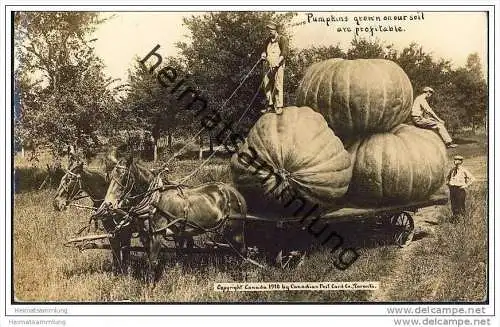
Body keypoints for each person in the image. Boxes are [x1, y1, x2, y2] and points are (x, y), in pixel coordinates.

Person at [260, 22, 289, 115]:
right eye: (268, 30)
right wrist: (263, 54)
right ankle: (270, 105)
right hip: (267, 65)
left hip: (278, 65)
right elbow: (264, 50)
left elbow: (284, 53)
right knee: (266, 85)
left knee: (278, 85)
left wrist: (278, 63)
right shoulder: (267, 40)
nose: (269, 32)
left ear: (275, 30)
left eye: (271, 30)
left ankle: (279, 106)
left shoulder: (282, 39)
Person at [446, 155, 475, 220]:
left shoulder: (463, 170)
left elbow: (472, 178)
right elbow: (448, 177)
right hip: (453, 190)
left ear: (461, 161)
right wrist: (448, 184)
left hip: (460, 190)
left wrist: (465, 185)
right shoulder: (452, 170)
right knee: (453, 206)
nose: (455, 161)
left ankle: (463, 221)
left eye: (457, 160)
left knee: (460, 206)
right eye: (454, 159)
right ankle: (455, 220)